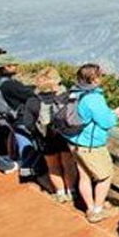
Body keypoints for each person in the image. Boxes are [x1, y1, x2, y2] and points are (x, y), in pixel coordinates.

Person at [65, 63, 119, 223]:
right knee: (105, 176)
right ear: (93, 78)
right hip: (91, 145)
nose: (103, 77)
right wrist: (117, 114)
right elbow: (106, 122)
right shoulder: (93, 98)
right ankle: (97, 210)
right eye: (100, 75)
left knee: (84, 176)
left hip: (75, 141)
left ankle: (91, 207)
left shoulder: (75, 92)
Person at [17, 67, 77, 202]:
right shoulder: (66, 97)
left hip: (45, 139)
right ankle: (71, 191)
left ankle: (60, 193)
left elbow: (28, 124)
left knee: (53, 166)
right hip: (64, 136)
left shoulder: (33, 101)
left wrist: (38, 133)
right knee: (68, 164)